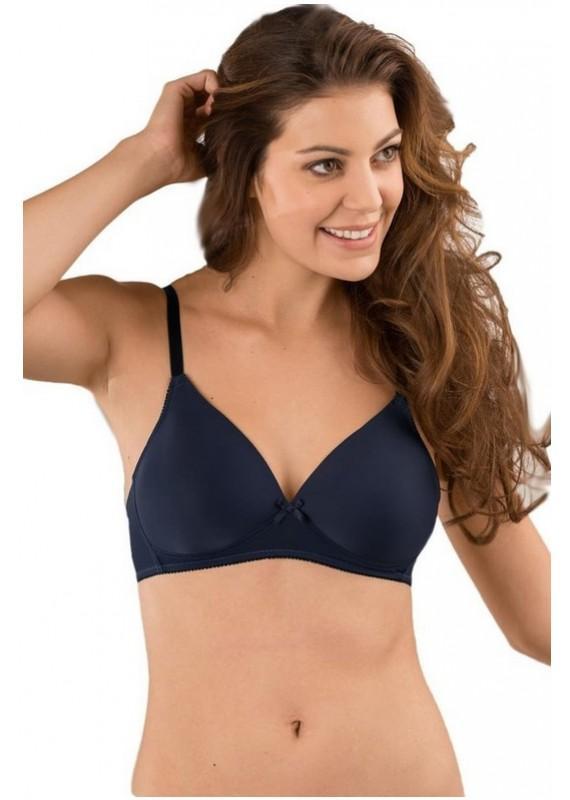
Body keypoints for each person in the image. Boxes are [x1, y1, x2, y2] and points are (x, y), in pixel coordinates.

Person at [23, 4, 550, 796]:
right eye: (325, 165)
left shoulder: (428, 351)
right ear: (247, 170)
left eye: (384, 155)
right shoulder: (133, 335)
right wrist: (145, 158)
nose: (370, 197)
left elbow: (538, 620)